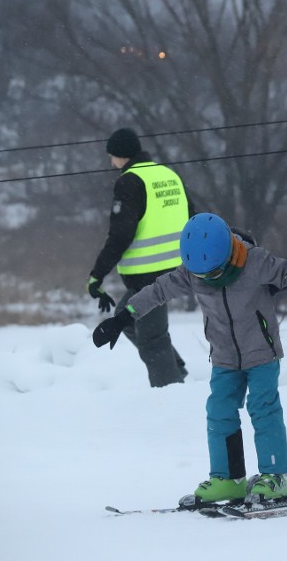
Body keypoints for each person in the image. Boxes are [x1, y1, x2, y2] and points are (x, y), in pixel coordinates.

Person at [92, 213, 287, 504]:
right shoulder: (192, 272)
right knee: (219, 411)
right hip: (224, 357)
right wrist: (123, 317)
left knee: (263, 408)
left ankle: (277, 477)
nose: (204, 280)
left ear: (228, 257)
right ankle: (228, 479)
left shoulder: (255, 261)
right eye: (199, 275)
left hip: (261, 352)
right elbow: (158, 290)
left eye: (210, 273)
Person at [87, 127, 193, 388]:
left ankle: (172, 393)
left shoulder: (130, 180)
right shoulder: (169, 175)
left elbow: (120, 234)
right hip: (177, 269)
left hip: (149, 275)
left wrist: (97, 274)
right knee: (124, 316)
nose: (112, 163)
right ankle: (175, 368)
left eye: (112, 156)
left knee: (152, 341)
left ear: (121, 155)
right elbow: (193, 216)